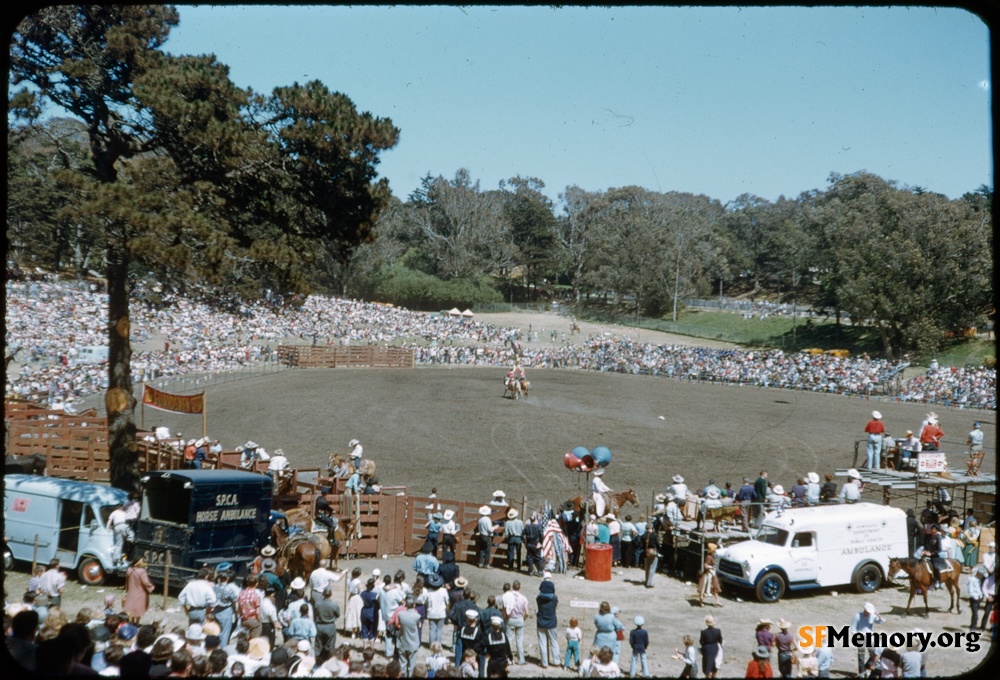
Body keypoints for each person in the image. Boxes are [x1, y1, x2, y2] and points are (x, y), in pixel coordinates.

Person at [850, 603, 885, 674]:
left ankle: (867, 667)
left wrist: (878, 615)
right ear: (865, 610)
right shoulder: (857, 616)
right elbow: (853, 629)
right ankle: (861, 673)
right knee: (861, 657)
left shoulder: (872, 616)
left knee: (873, 654)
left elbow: (882, 621)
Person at [500, 580, 529, 666]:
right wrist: (522, 619)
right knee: (519, 641)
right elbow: (527, 613)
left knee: (508, 639)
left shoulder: (508, 596)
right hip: (519, 619)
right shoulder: (524, 598)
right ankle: (521, 660)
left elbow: (504, 607)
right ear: (519, 587)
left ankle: (506, 658)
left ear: (512, 587)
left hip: (510, 619)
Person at [535, 577, 560, 669]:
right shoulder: (554, 598)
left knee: (542, 643)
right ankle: (557, 662)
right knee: (554, 642)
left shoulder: (539, 598)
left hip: (541, 622)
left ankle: (544, 663)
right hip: (552, 622)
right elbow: (556, 605)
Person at [395, 595, 422, 677]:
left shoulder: (400, 614)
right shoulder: (417, 616)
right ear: (414, 605)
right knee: (411, 666)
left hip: (402, 642)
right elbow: (419, 625)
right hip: (413, 643)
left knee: (402, 663)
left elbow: (400, 624)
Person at [123, 556, 155, 624]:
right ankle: (137, 623)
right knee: (138, 609)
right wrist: (151, 587)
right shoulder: (142, 571)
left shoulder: (129, 570)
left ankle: (130, 622)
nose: (143, 562)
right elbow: (145, 582)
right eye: (141, 561)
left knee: (131, 608)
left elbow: (127, 581)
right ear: (138, 562)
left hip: (131, 592)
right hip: (140, 593)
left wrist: (127, 589)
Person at [698, 542, 724, 608]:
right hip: (707, 575)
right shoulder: (709, 557)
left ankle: (717, 601)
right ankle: (701, 601)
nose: (715, 551)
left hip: (712, 575)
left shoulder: (712, 556)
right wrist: (710, 568)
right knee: (703, 588)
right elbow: (706, 565)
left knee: (715, 587)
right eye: (714, 550)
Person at [699, 614, 723, 679]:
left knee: (707, 663)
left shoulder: (704, 632)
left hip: (707, 649)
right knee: (715, 663)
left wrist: (704, 646)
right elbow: (720, 640)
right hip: (715, 647)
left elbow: (701, 641)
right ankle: (713, 677)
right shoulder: (718, 631)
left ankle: (707, 677)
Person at [628, 614, 650, 679]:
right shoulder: (644, 632)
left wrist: (632, 646)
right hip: (642, 647)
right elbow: (646, 641)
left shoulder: (632, 632)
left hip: (635, 647)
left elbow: (631, 640)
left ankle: (632, 673)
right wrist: (645, 646)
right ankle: (645, 673)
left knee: (634, 659)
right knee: (643, 660)